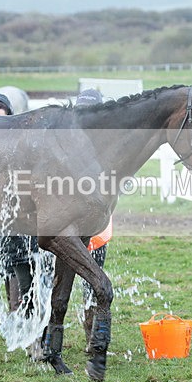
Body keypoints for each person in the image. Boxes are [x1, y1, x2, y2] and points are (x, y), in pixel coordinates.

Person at [0, 93, 37, 318]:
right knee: (1, 265)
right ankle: (12, 311)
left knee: (18, 261)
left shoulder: (19, 144)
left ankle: (18, 313)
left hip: (19, 216)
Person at [74, 88, 112, 346]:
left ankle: (92, 336)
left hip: (96, 230)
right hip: (62, 227)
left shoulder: (108, 143)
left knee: (93, 284)